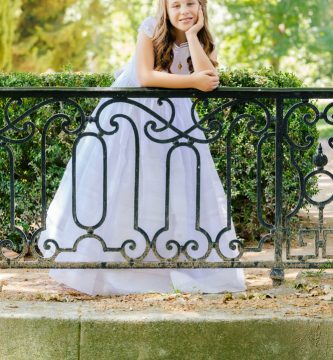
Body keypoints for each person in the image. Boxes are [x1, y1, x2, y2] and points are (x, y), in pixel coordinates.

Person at [38, 0, 246, 295]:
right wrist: (191, 81)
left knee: (169, 187)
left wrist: (192, 35)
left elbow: (208, 79)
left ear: (201, 7)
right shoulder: (150, 29)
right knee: (121, 183)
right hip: (132, 112)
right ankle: (95, 266)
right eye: (176, 5)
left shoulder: (201, 39)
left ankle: (160, 261)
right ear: (165, 8)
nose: (184, 10)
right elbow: (146, 76)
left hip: (174, 117)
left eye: (191, 4)